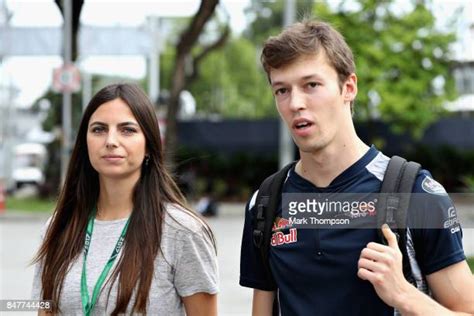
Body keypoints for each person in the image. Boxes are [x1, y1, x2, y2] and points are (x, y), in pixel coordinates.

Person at [239, 19, 474, 315]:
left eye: (311, 85)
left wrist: (403, 295)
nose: (295, 102)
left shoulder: (417, 195)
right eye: (281, 90)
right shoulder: (265, 203)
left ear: (348, 87)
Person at [31, 83, 218, 315]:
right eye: (99, 129)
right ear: (84, 143)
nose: (111, 140)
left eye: (127, 130)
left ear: (149, 145)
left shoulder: (183, 231)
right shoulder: (58, 227)